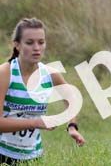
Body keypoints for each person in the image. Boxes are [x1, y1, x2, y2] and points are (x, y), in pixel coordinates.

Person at [0, 18, 85, 163]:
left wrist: (72, 126)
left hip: (33, 157)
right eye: (29, 43)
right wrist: (36, 123)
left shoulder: (50, 74)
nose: (36, 48)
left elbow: (72, 98)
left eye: (41, 42)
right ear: (17, 45)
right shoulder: (5, 73)